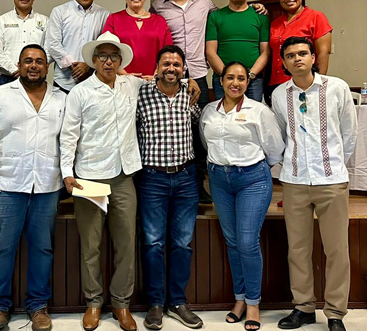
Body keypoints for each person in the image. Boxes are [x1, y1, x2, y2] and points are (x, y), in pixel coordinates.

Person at [0, 44, 66, 331]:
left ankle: (38, 307)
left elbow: (70, 141)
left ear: (47, 67)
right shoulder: (0, 96)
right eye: (28, 61)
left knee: (42, 249)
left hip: (48, 185)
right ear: (19, 65)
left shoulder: (62, 99)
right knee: (2, 249)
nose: (34, 65)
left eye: (39, 61)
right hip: (7, 185)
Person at [272, 37, 356, 331]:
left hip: (331, 180)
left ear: (313, 57)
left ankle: (335, 313)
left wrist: (333, 164)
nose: (297, 59)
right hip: (295, 180)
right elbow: (280, 136)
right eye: (290, 55)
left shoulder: (337, 88)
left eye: (302, 53)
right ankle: (303, 307)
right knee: (297, 249)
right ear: (284, 62)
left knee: (337, 250)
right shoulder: (279, 94)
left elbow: (349, 134)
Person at [60, 31, 142, 331]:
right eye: (103, 56)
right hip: (89, 177)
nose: (109, 61)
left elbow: (161, 80)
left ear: (120, 61)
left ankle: (121, 303)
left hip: (123, 176)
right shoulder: (80, 92)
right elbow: (69, 134)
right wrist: (67, 171)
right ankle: (93, 302)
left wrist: (190, 84)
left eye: (114, 56)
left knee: (126, 244)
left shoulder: (132, 84)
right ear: (94, 60)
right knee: (91, 245)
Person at [200, 62, 285, 331]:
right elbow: (206, 143)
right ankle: (239, 299)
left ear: (247, 83)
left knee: (248, 242)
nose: (235, 83)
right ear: (220, 81)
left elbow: (275, 149)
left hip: (252, 180)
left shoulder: (259, 111)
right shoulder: (208, 111)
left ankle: (253, 303)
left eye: (241, 78)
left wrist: (251, 168)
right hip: (219, 181)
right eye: (229, 78)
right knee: (233, 242)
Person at [136, 45, 203, 330]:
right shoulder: (141, 94)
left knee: (182, 243)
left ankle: (177, 302)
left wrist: (193, 85)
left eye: (176, 64)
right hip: (152, 178)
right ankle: (155, 303)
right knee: (153, 243)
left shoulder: (191, 95)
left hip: (186, 178)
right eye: (166, 63)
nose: (171, 68)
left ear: (183, 69)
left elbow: (199, 126)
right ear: (157, 67)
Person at [265, 0, 332, 106]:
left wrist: (316, 85)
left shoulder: (316, 17)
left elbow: (323, 53)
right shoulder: (275, 23)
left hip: (304, 83)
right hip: (276, 84)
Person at [205, 0, 270, 102]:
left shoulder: (261, 16)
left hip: (253, 80)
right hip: (222, 79)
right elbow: (210, 52)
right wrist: (228, 77)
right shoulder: (215, 17)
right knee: (223, 114)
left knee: (252, 114)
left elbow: (265, 52)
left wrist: (249, 75)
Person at [46, 0, 110, 93]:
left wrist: (88, 64)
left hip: (93, 82)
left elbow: (104, 46)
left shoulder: (105, 15)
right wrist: (73, 65)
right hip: (63, 82)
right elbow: (53, 44)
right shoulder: (59, 12)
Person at [102, 0, 173, 78]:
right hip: (121, 80)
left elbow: (169, 53)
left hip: (154, 81)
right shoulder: (113, 19)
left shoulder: (160, 21)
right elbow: (105, 50)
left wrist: (157, 75)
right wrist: (125, 75)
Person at [0, 0, 50, 85]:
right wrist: (16, 70)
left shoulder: (45, 21)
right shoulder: (1, 21)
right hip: (8, 78)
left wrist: (34, 67)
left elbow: (49, 50)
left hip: (36, 79)